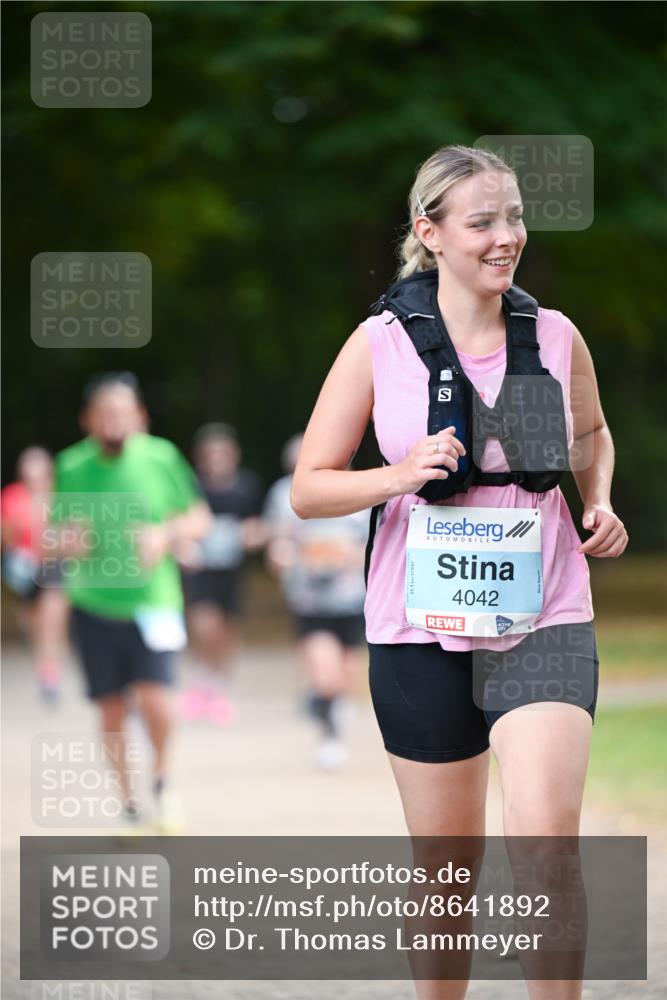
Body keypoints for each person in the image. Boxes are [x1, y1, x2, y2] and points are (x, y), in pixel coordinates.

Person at [291, 145, 628, 1000]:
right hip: (417, 625)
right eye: (482, 222)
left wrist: (598, 500)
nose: (505, 237)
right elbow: (310, 488)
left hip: (543, 615)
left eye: (513, 217)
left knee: (547, 843)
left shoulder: (552, 335)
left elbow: (590, 435)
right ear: (429, 233)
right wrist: (400, 474)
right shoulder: (380, 345)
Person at [50, 372, 211, 830]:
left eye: (122, 412)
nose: (113, 422)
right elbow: (54, 535)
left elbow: (200, 519)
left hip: (154, 603)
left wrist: (166, 533)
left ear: (139, 416)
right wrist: (67, 542)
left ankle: (162, 779)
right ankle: (129, 804)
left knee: (157, 700)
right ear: (88, 420)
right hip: (94, 604)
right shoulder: (71, 465)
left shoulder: (161, 457)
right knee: (112, 709)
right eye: (104, 414)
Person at [264, 434, 368, 769]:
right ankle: (329, 737)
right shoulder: (284, 494)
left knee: (347, 672)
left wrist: (350, 557)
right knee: (326, 675)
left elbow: (376, 546)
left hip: (352, 598)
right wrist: (282, 556)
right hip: (310, 599)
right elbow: (277, 541)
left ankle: (331, 707)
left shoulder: (362, 489)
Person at [178, 423, 264, 725]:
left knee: (226, 632)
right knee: (204, 626)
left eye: (222, 454)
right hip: (200, 570)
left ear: (233, 456)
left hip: (232, 572)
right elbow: (177, 521)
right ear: (202, 458)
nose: (216, 460)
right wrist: (185, 545)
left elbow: (257, 526)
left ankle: (218, 689)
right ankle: (200, 682)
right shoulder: (191, 487)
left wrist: (249, 535)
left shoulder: (246, 486)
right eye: (210, 455)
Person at [1, 447, 69, 703]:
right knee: (34, 625)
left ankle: (52, 675)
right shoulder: (11, 497)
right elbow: (6, 541)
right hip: (23, 568)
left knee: (53, 620)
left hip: (54, 565)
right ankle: (44, 668)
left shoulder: (60, 496)